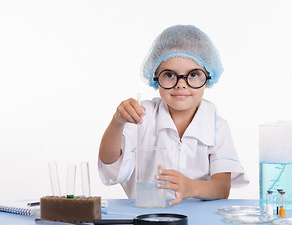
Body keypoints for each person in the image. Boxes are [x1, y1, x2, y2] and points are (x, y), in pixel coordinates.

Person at [98, 25, 249, 206]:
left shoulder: (216, 125)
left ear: (208, 78)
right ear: (155, 78)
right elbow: (110, 163)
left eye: (193, 74)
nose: (181, 84)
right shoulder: (142, 116)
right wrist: (117, 122)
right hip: (146, 215)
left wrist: (191, 187)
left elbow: (222, 188)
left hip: (200, 222)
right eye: (169, 74)